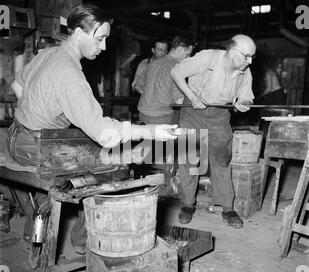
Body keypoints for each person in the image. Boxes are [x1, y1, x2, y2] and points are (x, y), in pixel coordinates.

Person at [7, 3, 177, 253]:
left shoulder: (48, 54)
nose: (104, 46)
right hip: (35, 147)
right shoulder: (70, 74)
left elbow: (17, 87)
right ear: (78, 33)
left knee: (86, 151)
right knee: (114, 165)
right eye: (100, 39)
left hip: (15, 137)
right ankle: (84, 242)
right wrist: (150, 132)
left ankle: (37, 223)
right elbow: (105, 135)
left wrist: (42, 113)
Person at [171, 34, 256, 228]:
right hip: (193, 112)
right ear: (233, 52)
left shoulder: (245, 71)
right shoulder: (207, 58)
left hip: (219, 117)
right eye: (247, 56)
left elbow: (246, 97)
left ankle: (227, 208)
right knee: (189, 160)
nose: (249, 61)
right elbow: (176, 72)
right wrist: (191, 97)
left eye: (252, 57)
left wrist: (244, 103)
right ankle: (187, 204)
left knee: (221, 162)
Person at [138, 36, 194, 125]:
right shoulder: (176, 68)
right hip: (161, 116)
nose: (188, 58)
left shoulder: (153, 63)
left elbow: (139, 86)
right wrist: (196, 101)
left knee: (147, 138)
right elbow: (179, 100)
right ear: (179, 50)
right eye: (187, 54)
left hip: (143, 112)